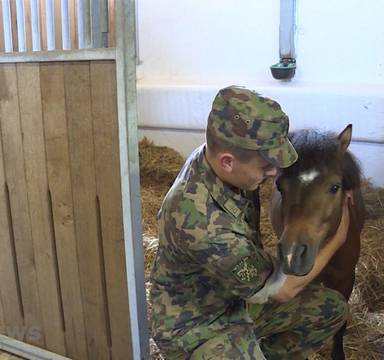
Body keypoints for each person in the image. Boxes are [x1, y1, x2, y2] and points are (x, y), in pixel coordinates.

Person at [148, 85, 351, 359]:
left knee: (331, 309)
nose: (273, 172)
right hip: (200, 325)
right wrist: (338, 238)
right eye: (266, 166)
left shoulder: (217, 157)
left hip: (236, 299)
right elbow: (283, 289)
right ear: (228, 162)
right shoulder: (203, 224)